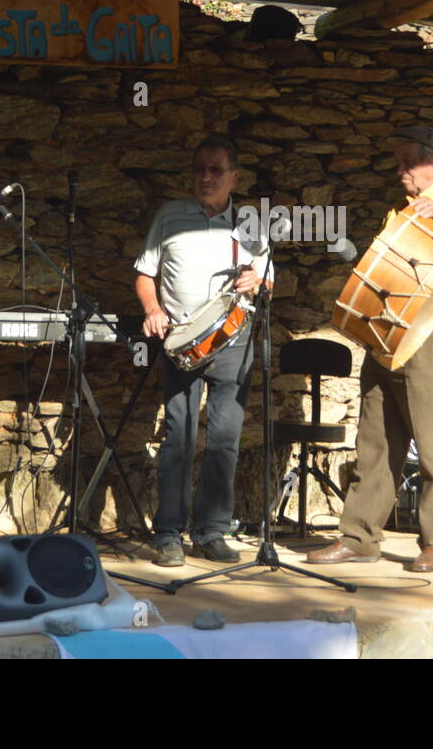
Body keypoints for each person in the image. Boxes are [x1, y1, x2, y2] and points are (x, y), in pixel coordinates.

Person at [308, 126, 433, 573]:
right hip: (390, 329)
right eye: (397, 162)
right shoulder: (398, 210)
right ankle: (359, 536)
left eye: (407, 162)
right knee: (376, 434)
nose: (399, 171)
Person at [134, 135, 270, 567]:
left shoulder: (250, 223)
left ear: (235, 177)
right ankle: (169, 534)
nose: (205, 177)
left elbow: (269, 277)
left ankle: (212, 531)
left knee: (225, 440)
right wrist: (153, 309)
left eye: (215, 170)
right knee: (178, 437)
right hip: (181, 342)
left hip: (235, 340)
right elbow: (143, 272)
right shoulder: (170, 214)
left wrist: (259, 282)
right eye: (199, 169)